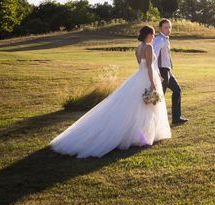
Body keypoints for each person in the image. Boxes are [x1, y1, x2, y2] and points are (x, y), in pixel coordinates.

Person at [49, 26, 171, 158]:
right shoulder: (148, 47)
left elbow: (141, 65)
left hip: (138, 77)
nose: (153, 37)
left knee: (137, 109)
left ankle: (142, 136)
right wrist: (152, 83)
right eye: (152, 35)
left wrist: (157, 76)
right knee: (145, 108)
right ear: (148, 35)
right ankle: (142, 138)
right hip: (146, 79)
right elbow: (148, 66)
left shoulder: (138, 47)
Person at [153, 18, 188, 124]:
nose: (168, 29)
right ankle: (155, 122)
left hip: (167, 70)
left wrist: (170, 70)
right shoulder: (159, 39)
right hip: (161, 71)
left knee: (177, 90)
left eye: (169, 27)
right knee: (159, 97)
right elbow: (154, 57)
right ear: (160, 28)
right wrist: (158, 73)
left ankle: (176, 118)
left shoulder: (166, 39)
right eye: (166, 27)